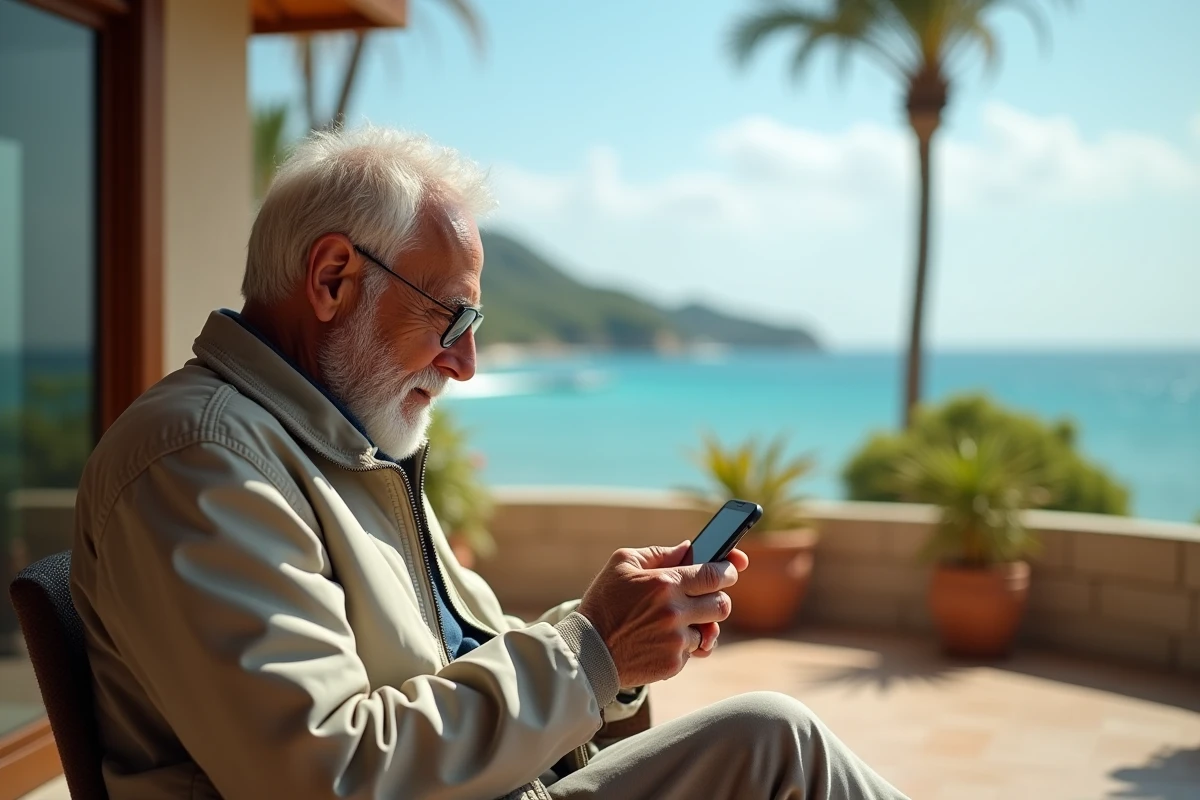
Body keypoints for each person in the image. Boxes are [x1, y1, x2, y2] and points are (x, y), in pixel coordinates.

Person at [70, 126, 909, 800]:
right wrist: (590, 652)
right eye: (452, 316)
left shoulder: (344, 441)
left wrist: (613, 660)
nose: (465, 363)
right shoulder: (202, 462)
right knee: (774, 744)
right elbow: (325, 772)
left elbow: (460, 663)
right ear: (332, 278)